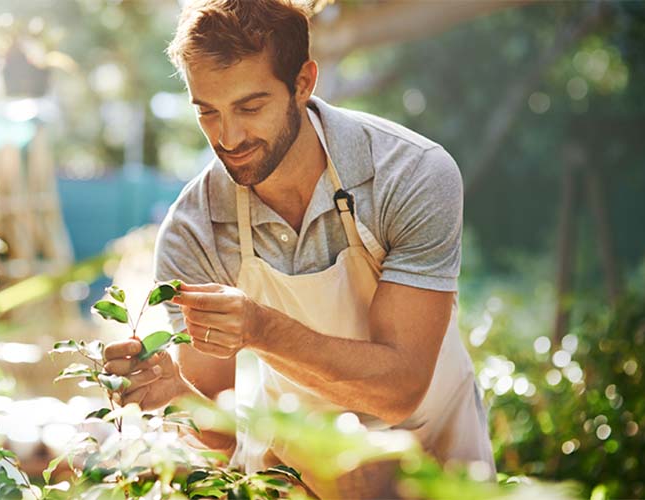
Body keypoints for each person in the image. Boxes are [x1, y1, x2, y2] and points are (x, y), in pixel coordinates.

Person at [103, 0, 494, 496]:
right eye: (208, 112)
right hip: (299, 472)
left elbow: (399, 390)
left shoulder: (410, 174)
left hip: (436, 457)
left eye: (250, 107)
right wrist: (177, 394)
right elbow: (217, 434)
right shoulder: (194, 230)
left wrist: (261, 329)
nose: (229, 137)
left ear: (304, 83)